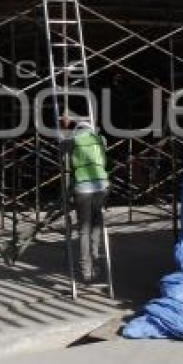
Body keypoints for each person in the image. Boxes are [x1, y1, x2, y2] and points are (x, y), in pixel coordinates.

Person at [61, 114, 110, 282]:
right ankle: (95, 261)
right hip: (101, 187)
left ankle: (86, 270)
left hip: (82, 188)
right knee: (96, 226)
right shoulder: (100, 139)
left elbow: (62, 154)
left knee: (84, 229)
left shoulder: (72, 140)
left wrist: (65, 127)